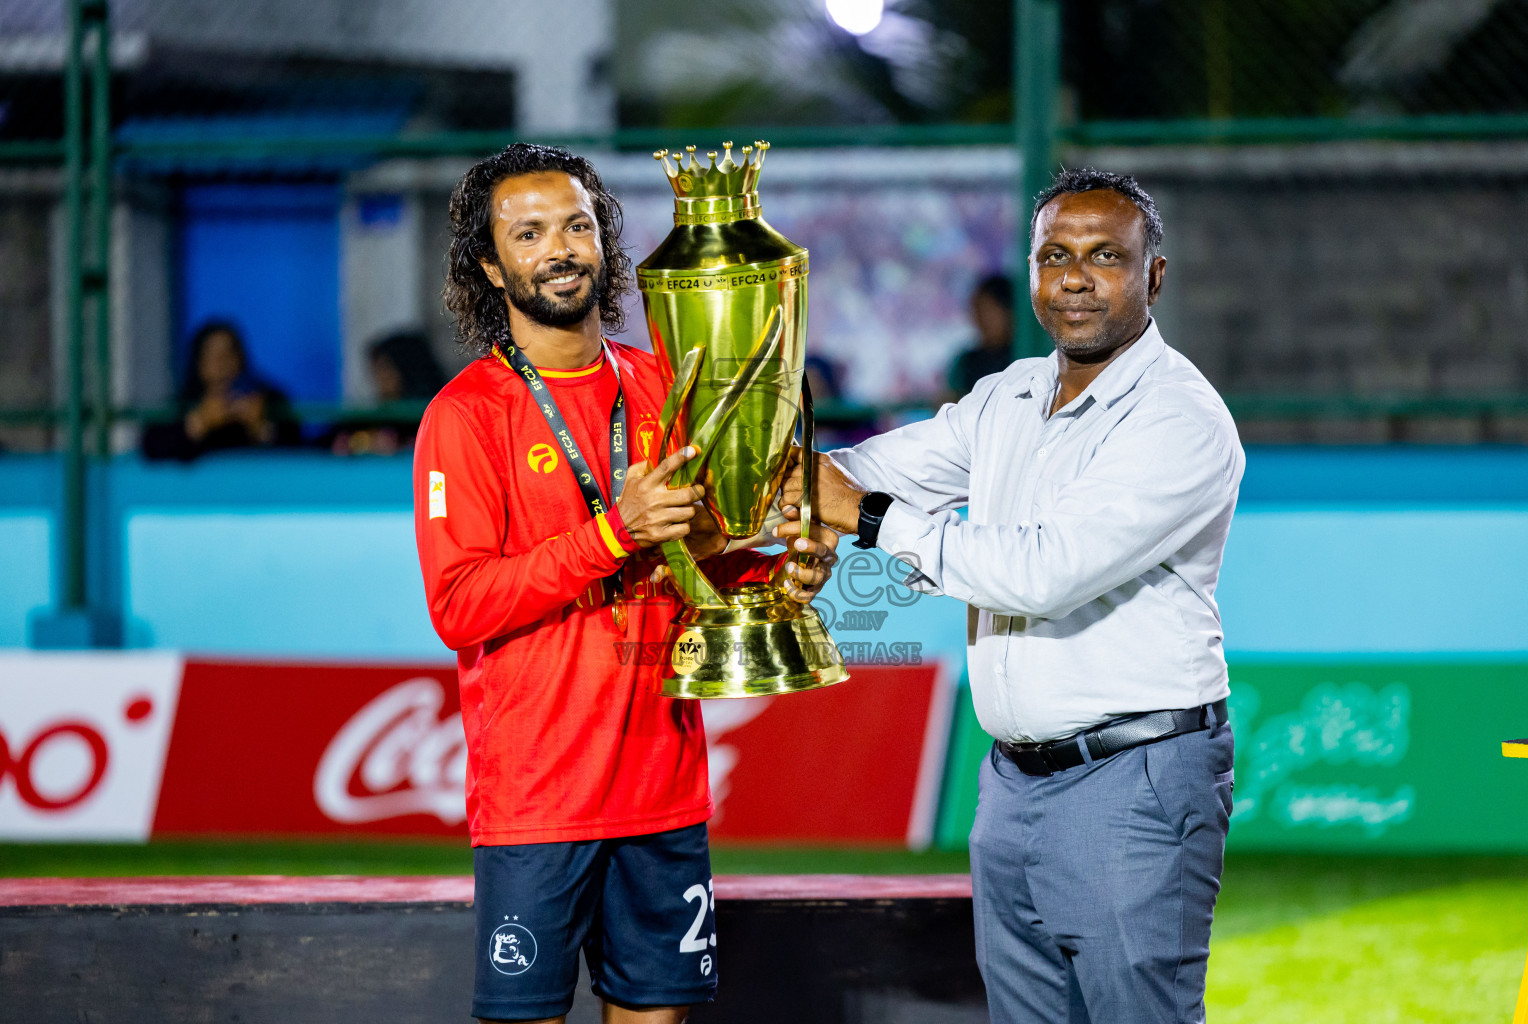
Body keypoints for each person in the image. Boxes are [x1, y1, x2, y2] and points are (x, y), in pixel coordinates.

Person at [786, 168, 1244, 1023]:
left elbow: (1043, 572)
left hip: (1134, 783)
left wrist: (866, 518)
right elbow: (867, 471)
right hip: (1012, 787)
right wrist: (791, 498)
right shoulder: (1009, 396)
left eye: (1106, 256)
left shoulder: (1178, 419)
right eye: (1054, 255)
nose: (1075, 277)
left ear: (1154, 274)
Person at [413, 143, 838, 1024]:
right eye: (527, 234)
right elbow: (459, 606)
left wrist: (775, 572)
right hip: (538, 799)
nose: (559, 248)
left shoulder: (658, 383)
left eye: (576, 225)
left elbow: (698, 557)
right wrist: (611, 531)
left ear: (605, 242)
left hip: (661, 788)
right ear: (491, 266)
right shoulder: (465, 415)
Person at [141, 320, 300, 461]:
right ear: (198, 363)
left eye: (229, 354)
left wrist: (262, 429)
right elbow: (152, 448)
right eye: (212, 356)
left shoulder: (268, 399)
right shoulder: (182, 404)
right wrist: (200, 423)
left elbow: (301, 451)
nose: (222, 364)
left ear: (241, 359)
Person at [328, 329, 448, 455]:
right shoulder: (371, 420)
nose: (377, 377)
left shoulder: (432, 418)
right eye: (375, 370)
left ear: (406, 370)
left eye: (384, 369)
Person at [943, 273, 1015, 403]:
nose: (980, 320)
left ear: (1008, 312)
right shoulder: (966, 363)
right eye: (977, 311)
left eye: (988, 311)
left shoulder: (1025, 356)